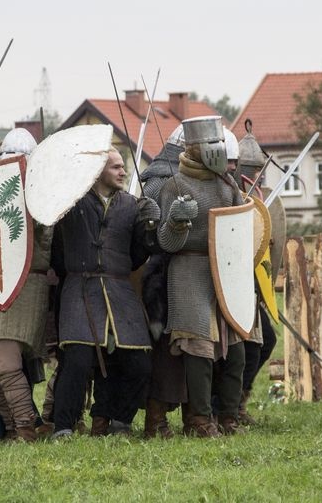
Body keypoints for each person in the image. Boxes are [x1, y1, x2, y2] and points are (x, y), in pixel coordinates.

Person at [50, 149, 160, 439]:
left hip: (119, 290)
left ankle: (120, 421)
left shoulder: (131, 205)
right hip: (79, 288)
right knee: (77, 360)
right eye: (116, 168)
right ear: (98, 171)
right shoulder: (72, 203)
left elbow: (138, 255)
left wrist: (149, 228)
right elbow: (57, 253)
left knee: (139, 363)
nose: (123, 172)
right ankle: (62, 427)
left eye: (123, 167)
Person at [156, 116, 246, 437]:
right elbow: (167, 243)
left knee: (235, 351)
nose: (216, 151)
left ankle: (229, 417)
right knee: (199, 351)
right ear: (194, 148)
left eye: (218, 144)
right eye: (211, 145)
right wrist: (178, 223)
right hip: (189, 271)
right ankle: (198, 419)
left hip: (223, 271)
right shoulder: (175, 185)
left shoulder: (228, 185)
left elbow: (239, 229)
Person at [0, 128, 53, 442]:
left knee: (5, 360)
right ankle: (12, 426)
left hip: (27, 281)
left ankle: (26, 427)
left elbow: (39, 234)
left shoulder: (43, 195)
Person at [139, 124, 187, 438]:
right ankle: (156, 420)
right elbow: (153, 237)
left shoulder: (167, 178)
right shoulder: (163, 183)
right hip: (162, 276)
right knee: (165, 351)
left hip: (177, 273)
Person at [234, 128, 277, 425]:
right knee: (242, 350)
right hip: (228, 285)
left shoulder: (257, 199)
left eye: (259, 171)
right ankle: (227, 406)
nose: (257, 176)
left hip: (251, 287)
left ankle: (239, 400)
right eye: (253, 170)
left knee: (267, 341)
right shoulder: (228, 194)